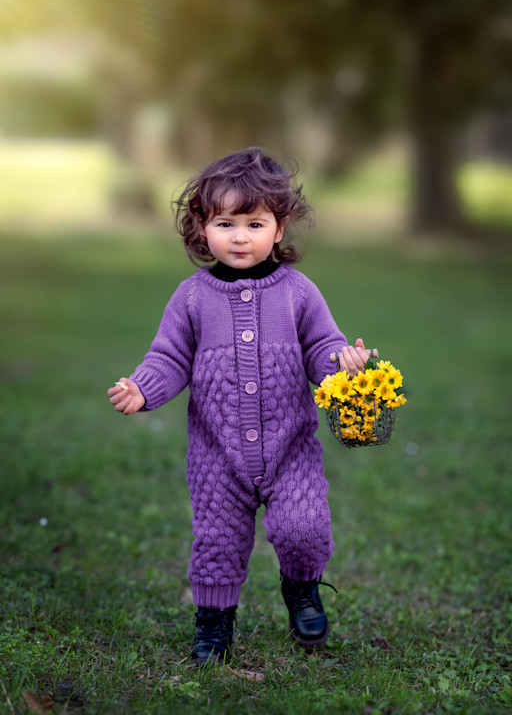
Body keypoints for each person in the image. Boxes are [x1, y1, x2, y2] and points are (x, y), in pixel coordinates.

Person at [107, 147, 371, 665]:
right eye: (225, 222)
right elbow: (169, 357)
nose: (240, 236)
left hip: (290, 447)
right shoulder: (190, 298)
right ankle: (213, 625)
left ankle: (301, 590)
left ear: (279, 227)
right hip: (217, 458)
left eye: (255, 223)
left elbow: (321, 346)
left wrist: (343, 365)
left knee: (303, 526)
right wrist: (143, 388)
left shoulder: (298, 292)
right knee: (218, 544)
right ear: (201, 227)